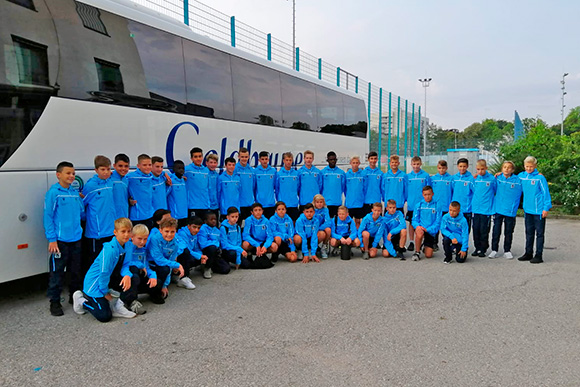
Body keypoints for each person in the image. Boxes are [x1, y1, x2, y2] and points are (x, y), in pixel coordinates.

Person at [72, 218, 136, 322]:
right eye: (123, 231)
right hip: (95, 284)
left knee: (133, 276)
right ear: (115, 232)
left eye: (129, 231)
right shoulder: (109, 250)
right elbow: (103, 273)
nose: (126, 235)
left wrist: (127, 275)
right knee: (104, 316)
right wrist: (105, 292)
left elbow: (126, 264)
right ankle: (81, 301)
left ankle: (118, 307)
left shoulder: (128, 244)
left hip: (108, 280)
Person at [44, 161, 84, 316]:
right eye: (68, 173)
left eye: (73, 173)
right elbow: (48, 217)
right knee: (57, 272)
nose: (71, 176)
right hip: (60, 241)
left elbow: (81, 213)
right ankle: (54, 302)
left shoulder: (74, 192)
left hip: (76, 239)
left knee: (75, 271)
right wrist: (52, 239)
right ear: (58, 175)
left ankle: (74, 297)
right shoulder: (54, 193)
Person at [81, 155, 115, 274]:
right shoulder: (90, 186)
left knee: (109, 260)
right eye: (103, 169)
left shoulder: (110, 182)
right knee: (95, 261)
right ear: (96, 170)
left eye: (108, 169)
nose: (106, 172)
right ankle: (91, 287)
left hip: (110, 230)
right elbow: (82, 204)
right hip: (96, 233)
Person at [118, 224, 161, 315]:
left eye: (145, 239)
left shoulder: (143, 249)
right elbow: (125, 263)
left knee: (158, 282)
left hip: (138, 277)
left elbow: (146, 267)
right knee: (134, 271)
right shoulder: (127, 246)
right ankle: (131, 301)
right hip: (125, 277)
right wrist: (140, 265)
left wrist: (153, 276)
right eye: (140, 239)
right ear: (132, 237)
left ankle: (149, 294)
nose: (142, 242)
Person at [518, 156, 552, 264]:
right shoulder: (522, 176)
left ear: (535, 166)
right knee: (529, 232)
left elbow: (546, 193)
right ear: (524, 166)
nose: (529, 168)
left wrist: (546, 208)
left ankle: (538, 255)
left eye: (531, 166)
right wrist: (498, 174)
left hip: (538, 211)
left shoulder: (540, 178)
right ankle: (528, 253)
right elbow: (510, 178)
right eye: (527, 166)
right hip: (528, 210)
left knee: (539, 234)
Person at [146, 217, 184, 303]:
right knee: (164, 267)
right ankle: (153, 291)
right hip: (149, 265)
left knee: (166, 268)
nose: (169, 234)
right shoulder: (154, 239)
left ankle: (158, 288)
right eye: (166, 231)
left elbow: (170, 264)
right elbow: (158, 259)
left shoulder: (175, 244)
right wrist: (177, 265)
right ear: (160, 230)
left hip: (162, 265)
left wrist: (165, 285)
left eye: (172, 232)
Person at [489, 161, 522, 259]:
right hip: (498, 209)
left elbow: (527, 179)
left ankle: (507, 250)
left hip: (510, 211)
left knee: (508, 231)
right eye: (504, 167)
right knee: (496, 231)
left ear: (512, 170)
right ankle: (494, 250)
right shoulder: (497, 178)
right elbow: (493, 189)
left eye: (509, 168)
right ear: (501, 169)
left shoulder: (518, 180)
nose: (506, 169)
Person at [471, 159, 497, 257]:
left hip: (486, 210)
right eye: (478, 169)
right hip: (476, 208)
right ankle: (477, 248)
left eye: (482, 169)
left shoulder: (491, 179)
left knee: (484, 230)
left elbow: (495, 190)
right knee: (475, 229)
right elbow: (473, 191)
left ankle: (483, 249)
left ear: (486, 168)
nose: (480, 171)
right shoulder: (475, 179)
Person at [406, 156, 431, 252]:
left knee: (423, 223)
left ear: (421, 164)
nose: (416, 166)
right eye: (414, 164)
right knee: (412, 223)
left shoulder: (425, 175)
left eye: (417, 164)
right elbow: (405, 190)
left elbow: (429, 189)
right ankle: (412, 241)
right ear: (411, 164)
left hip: (423, 205)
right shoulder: (408, 176)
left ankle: (423, 242)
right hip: (412, 205)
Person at [175, 217, 213, 282]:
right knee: (187, 254)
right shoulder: (182, 234)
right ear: (189, 226)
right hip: (180, 256)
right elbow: (187, 249)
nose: (196, 230)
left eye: (198, 228)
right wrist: (200, 256)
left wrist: (201, 256)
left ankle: (203, 268)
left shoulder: (195, 234)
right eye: (194, 227)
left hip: (191, 253)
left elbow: (196, 248)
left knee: (207, 252)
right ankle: (182, 276)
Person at [242, 203, 277, 268]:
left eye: (259, 210)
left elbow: (270, 236)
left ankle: (263, 252)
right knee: (245, 244)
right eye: (255, 210)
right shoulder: (248, 220)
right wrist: (256, 244)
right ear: (252, 212)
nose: (258, 212)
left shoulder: (266, 221)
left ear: (262, 211)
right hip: (253, 243)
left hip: (263, 242)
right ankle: (250, 254)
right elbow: (245, 235)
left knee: (274, 247)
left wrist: (265, 246)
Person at [411, 186, 441, 261]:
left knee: (428, 255)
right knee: (419, 232)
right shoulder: (419, 205)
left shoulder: (437, 205)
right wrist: (418, 226)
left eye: (429, 194)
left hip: (430, 231)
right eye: (425, 195)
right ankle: (417, 252)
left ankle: (425, 246)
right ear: (422, 195)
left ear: (432, 194)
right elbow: (414, 220)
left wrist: (428, 229)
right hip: (421, 228)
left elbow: (438, 222)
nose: (427, 197)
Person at [198, 212, 231, 278]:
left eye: (215, 219)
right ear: (205, 221)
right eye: (211, 219)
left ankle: (209, 266)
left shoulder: (217, 231)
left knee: (226, 269)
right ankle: (207, 268)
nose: (214, 221)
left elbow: (220, 242)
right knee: (212, 248)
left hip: (216, 252)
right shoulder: (202, 229)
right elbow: (203, 244)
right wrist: (214, 243)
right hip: (205, 252)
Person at [127, 154, 154, 229]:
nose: (148, 167)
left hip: (149, 215)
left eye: (149, 165)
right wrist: (128, 200)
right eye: (144, 165)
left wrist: (165, 174)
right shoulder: (131, 177)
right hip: (137, 216)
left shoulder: (151, 176)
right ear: (138, 166)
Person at [431, 160, 453, 249]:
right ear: (437, 168)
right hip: (436, 207)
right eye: (440, 168)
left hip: (446, 207)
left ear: (446, 168)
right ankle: (434, 243)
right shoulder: (433, 179)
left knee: (446, 226)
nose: (441, 170)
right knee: (436, 225)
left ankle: (447, 243)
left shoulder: (451, 179)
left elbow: (453, 191)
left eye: (443, 168)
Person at [185, 147, 210, 221]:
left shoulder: (206, 170)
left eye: (200, 156)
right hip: (193, 206)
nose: (198, 159)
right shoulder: (187, 170)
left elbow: (208, 187)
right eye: (195, 157)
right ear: (191, 158)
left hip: (205, 206)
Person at [451, 158, 475, 233]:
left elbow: (475, 193)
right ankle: (456, 244)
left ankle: (464, 244)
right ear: (457, 166)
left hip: (466, 210)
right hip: (455, 209)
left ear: (467, 166)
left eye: (464, 166)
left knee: (465, 230)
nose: (462, 168)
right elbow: (451, 191)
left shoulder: (471, 179)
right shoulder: (454, 178)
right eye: (460, 166)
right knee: (455, 229)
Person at [276, 152, 300, 221]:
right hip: (283, 205)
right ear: (283, 161)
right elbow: (277, 189)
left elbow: (298, 187)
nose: (288, 162)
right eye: (287, 160)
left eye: (290, 160)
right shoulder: (279, 174)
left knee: (294, 223)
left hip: (293, 204)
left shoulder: (296, 174)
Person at [321, 151, 345, 218]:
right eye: (331, 160)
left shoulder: (341, 173)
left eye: (334, 159)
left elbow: (343, 187)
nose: (333, 161)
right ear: (327, 160)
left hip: (337, 202)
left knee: (336, 223)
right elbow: (320, 186)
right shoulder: (323, 172)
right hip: (326, 203)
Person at [217, 157, 241, 222]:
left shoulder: (237, 178)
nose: (231, 167)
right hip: (225, 210)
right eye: (229, 165)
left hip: (236, 209)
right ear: (225, 165)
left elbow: (239, 192)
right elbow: (218, 193)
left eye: (233, 165)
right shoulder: (221, 178)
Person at [254, 151, 277, 218]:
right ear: (259, 160)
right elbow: (254, 187)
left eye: (266, 159)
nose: (264, 161)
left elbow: (276, 187)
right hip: (260, 204)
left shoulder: (273, 171)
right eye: (262, 159)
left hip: (271, 204)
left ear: (268, 160)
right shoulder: (255, 171)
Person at [235, 147, 255, 222]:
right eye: (242, 157)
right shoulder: (235, 169)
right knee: (238, 226)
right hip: (238, 204)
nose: (244, 159)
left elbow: (253, 187)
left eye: (246, 157)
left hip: (249, 204)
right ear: (238, 157)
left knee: (248, 226)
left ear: (249, 157)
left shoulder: (251, 170)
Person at [345, 155, 365, 228]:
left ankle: (357, 236)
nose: (355, 164)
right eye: (353, 163)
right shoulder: (346, 175)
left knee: (357, 221)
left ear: (359, 164)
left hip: (359, 202)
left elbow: (364, 188)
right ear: (350, 163)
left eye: (357, 163)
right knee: (348, 221)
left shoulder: (363, 174)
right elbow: (345, 188)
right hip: (349, 203)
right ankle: (350, 237)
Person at [167, 160, 188, 229]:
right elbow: (166, 195)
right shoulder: (171, 181)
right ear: (174, 169)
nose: (181, 170)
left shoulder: (183, 180)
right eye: (179, 168)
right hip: (175, 215)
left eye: (182, 168)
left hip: (184, 214)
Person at [110, 153, 130, 219]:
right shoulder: (109, 179)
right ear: (114, 166)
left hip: (124, 215)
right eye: (120, 166)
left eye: (126, 166)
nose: (123, 169)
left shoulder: (127, 180)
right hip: (111, 217)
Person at [313, 194, 331, 259]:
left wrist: (320, 228)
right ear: (314, 203)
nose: (319, 204)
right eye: (317, 202)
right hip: (313, 229)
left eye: (321, 202)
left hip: (321, 228)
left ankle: (324, 247)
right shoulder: (312, 210)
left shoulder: (325, 210)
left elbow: (328, 222)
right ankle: (313, 248)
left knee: (328, 230)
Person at [206, 154, 220, 219]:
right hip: (206, 206)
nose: (213, 164)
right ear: (207, 163)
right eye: (211, 162)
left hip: (216, 206)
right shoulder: (204, 174)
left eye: (214, 163)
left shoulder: (217, 175)